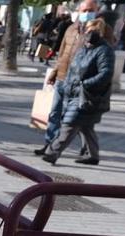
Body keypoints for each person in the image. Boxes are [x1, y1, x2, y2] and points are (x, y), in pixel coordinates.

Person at [41, 18, 114, 165]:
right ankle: (92, 155)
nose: (89, 33)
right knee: (86, 126)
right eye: (88, 30)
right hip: (73, 91)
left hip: (88, 95)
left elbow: (106, 73)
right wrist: (67, 83)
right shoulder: (84, 48)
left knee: (70, 123)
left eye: (93, 30)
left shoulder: (104, 51)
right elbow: (71, 67)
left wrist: (85, 84)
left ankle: (52, 152)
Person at [35, 0, 97, 158]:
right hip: (63, 76)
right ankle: (49, 143)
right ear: (78, 11)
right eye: (84, 10)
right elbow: (62, 53)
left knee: (76, 119)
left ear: (96, 10)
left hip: (79, 82)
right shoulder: (71, 28)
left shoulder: (98, 30)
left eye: (90, 10)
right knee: (54, 113)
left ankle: (85, 149)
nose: (86, 13)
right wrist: (54, 72)